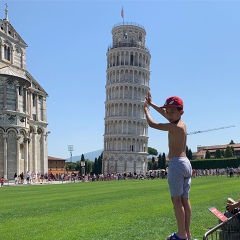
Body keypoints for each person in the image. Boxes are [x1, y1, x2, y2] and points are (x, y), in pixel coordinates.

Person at [144, 92, 192, 240]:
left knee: (176, 200)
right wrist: (152, 104)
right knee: (185, 200)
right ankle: (187, 232)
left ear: (180, 112)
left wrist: (146, 110)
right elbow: (164, 112)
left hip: (176, 163)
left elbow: (152, 124)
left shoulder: (173, 127)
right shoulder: (181, 124)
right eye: (168, 111)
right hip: (186, 163)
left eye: (172, 112)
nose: (169, 114)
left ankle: (181, 233)